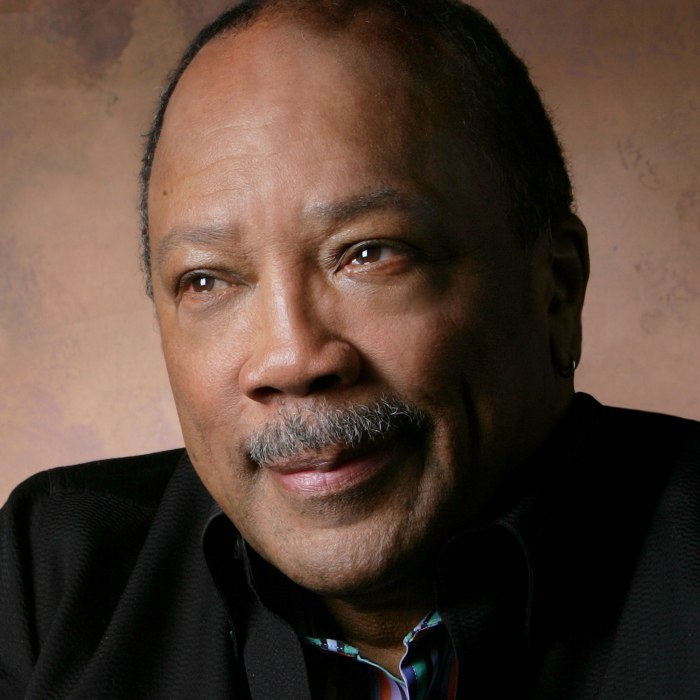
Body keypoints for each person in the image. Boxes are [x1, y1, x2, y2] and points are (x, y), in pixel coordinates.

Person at [2, 1, 699, 698]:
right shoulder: (51, 582)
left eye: (370, 253)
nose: (291, 360)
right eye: (207, 280)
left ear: (557, 287)